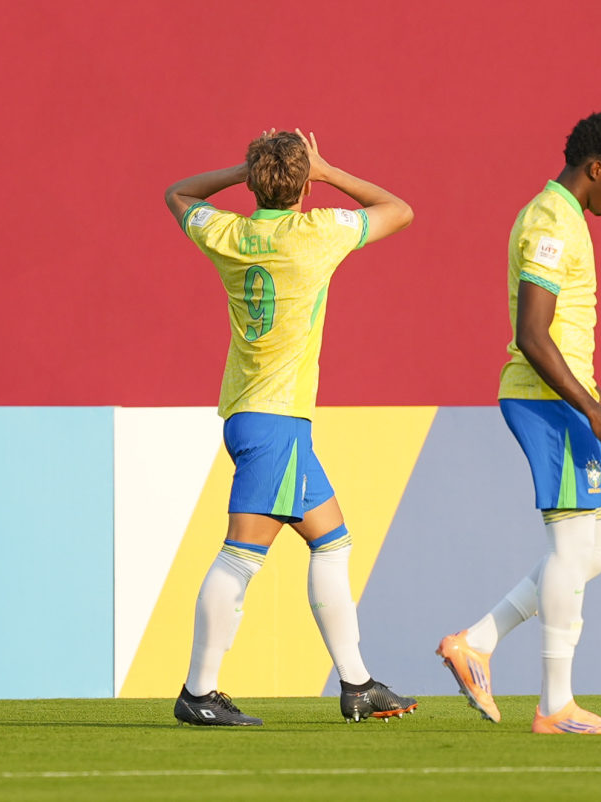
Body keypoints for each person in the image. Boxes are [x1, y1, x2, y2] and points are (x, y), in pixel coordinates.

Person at [164, 129, 417, 725]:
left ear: (254, 183)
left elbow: (177, 193)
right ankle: (198, 693)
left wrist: (241, 172)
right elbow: (398, 211)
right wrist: (327, 169)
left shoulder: (229, 233)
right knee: (239, 558)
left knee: (333, 542)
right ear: (304, 184)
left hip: (257, 416)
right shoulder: (317, 234)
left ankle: (356, 683)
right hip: (276, 420)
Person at [436, 111, 601, 735]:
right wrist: (595, 409)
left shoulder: (566, 218)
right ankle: (556, 706)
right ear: (596, 168)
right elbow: (532, 333)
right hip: (547, 399)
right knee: (572, 547)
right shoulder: (551, 221)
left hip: (567, 397)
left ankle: (476, 640)